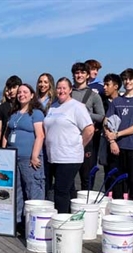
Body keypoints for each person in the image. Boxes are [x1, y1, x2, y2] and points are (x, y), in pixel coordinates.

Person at [103, 68, 133, 218]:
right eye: (125, 79)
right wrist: (112, 140)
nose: (128, 82)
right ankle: (117, 214)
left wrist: (118, 134)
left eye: (131, 79)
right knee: (116, 182)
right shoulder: (117, 101)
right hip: (117, 147)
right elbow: (106, 122)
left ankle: (132, 216)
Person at [44, 77, 94, 213]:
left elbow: (89, 129)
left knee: (61, 191)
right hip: (53, 156)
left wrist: (79, 145)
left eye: (64, 88)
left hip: (69, 157)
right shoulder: (53, 106)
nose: (61, 91)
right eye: (58, 88)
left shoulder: (77, 107)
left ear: (70, 89)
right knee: (69, 189)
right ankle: (73, 219)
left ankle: (62, 220)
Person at [4, 84, 45, 228]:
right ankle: (18, 223)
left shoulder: (36, 113)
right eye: (19, 92)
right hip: (13, 158)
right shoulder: (14, 113)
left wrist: (35, 156)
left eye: (25, 92)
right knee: (17, 191)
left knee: (33, 189)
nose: (22, 94)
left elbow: (40, 135)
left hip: (29, 158)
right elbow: (6, 134)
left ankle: (35, 224)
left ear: (32, 95)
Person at [71, 62, 105, 190]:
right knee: (69, 177)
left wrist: (85, 113)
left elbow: (101, 117)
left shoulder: (94, 95)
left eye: (82, 72)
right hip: (69, 139)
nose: (79, 75)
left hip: (87, 139)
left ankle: (87, 206)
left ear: (87, 75)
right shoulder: (67, 93)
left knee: (87, 177)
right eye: (77, 73)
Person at [0, 75, 22, 148]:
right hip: (5, 143)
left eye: (14, 87)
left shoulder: (24, 106)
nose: (11, 91)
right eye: (10, 88)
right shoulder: (2, 107)